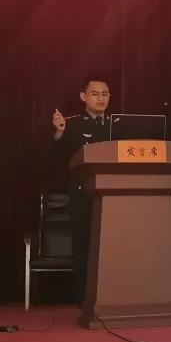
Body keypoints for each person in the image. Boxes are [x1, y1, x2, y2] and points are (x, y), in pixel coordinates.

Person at [51, 78, 113, 303]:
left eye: (105, 94)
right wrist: (59, 132)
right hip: (83, 195)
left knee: (112, 246)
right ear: (83, 97)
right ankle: (84, 298)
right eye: (95, 94)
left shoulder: (116, 125)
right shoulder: (72, 124)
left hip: (113, 196)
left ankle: (111, 295)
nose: (101, 98)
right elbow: (56, 152)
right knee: (84, 245)